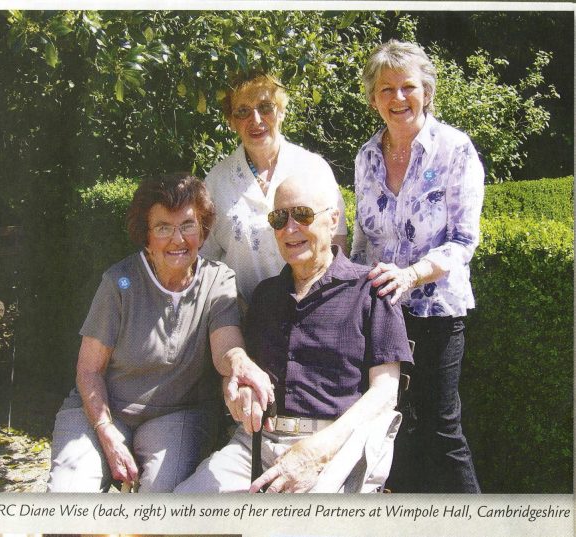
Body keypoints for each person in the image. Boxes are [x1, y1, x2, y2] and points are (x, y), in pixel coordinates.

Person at [175, 173, 413, 493]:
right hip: (255, 445)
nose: (289, 229)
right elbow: (245, 373)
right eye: (279, 218)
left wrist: (317, 450)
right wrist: (238, 392)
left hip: (335, 449)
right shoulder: (266, 295)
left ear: (332, 220)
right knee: (185, 508)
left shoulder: (372, 290)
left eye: (302, 215)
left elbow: (385, 392)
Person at [47, 173, 271, 493]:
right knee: (68, 499)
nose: (177, 239)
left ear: (203, 230)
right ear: (146, 236)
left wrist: (239, 364)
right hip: (100, 411)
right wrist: (106, 432)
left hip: (177, 414)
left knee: (159, 506)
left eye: (188, 225)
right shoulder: (119, 283)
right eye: (163, 227)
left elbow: (226, 347)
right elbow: (89, 369)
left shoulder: (218, 279)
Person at [351, 39, 484, 493]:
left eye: (408, 86)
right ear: (373, 99)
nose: (398, 98)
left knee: (442, 432)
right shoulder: (365, 158)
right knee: (390, 432)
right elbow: (361, 239)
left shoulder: (456, 150)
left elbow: (464, 241)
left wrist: (411, 275)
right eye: (386, 89)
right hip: (382, 314)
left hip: (437, 315)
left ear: (426, 92)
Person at [201, 70, 348, 304]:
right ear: (231, 122)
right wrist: (234, 311)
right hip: (243, 320)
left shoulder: (314, 168)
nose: (256, 120)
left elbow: (337, 242)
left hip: (314, 310)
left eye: (266, 107)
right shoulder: (216, 181)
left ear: (281, 112)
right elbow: (205, 261)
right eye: (242, 111)